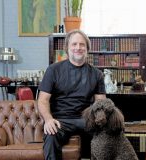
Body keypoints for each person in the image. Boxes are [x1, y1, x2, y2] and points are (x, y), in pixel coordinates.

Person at [38, 30, 106, 160]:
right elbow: (42, 100)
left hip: (86, 120)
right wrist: (48, 120)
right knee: (51, 134)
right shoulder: (53, 70)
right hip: (60, 121)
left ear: (87, 49)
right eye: (74, 44)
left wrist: (101, 122)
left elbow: (100, 103)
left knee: (106, 133)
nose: (78, 48)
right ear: (67, 48)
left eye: (82, 45)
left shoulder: (97, 74)